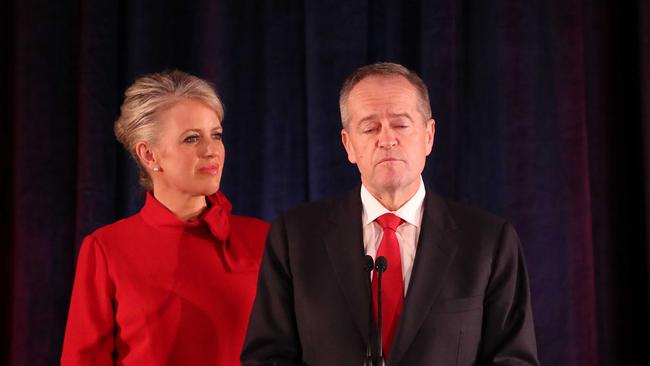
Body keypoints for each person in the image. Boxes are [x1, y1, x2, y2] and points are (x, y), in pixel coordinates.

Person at [241, 62, 539, 365]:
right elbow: (268, 356)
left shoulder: (489, 242)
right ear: (349, 145)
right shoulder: (294, 238)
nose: (386, 139)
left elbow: (513, 358)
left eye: (400, 124)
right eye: (370, 128)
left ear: (429, 135)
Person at [61, 70, 269, 365]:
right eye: (191, 139)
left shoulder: (263, 238)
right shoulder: (106, 249)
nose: (211, 150)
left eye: (216, 135)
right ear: (149, 155)